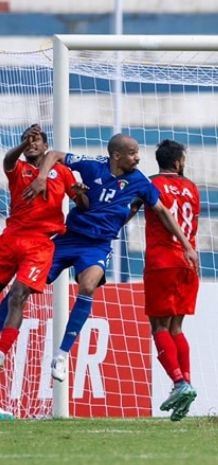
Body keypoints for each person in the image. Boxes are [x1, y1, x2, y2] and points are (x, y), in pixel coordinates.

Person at [21, 133, 199, 384]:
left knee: (88, 286)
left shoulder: (141, 182)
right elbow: (54, 155)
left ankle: (61, 355)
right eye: (133, 153)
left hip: (98, 246)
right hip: (69, 238)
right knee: (23, 287)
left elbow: (163, 211)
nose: (138, 158)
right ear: (117, 155)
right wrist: (41, 177)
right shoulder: (92, 165)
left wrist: (186, 245)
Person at [0, 125, 84, 419]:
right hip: (11, 238)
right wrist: (22, 145)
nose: (32, 143)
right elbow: (7, 161)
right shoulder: (17, 166)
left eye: (37, 139)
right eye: (28, 139)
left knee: (18, 296)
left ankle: (1, 354)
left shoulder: (60, 172)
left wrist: (83, 194)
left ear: (47, 146)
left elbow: (81, 203)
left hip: (40, 244)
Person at [130, 140, 201, 421]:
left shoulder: (151, 184)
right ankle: (185, 384)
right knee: (177, 327)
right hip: (188, 262)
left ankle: (179, 382)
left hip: (163, 262)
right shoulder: (192, 188)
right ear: (179, 161)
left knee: (159, 325)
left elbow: (132, 210)